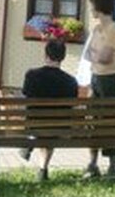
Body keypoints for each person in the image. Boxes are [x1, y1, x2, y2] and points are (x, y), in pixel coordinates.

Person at [19, 38, 79, 181]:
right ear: (63, 58)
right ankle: (42, 169)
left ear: (46, 55)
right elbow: (73, 104)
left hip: (34, 124)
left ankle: (30, 141)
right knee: (52, 129)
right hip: (58, 128)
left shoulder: (31, 75)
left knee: (38, 120)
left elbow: (26, 94)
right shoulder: (71, 81)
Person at [83, 0, 115, 178]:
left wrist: (94, 55)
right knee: (93, 121)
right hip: (96, 78)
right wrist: (95, 56)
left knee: (110, 122)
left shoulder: (113, 29)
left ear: (98, 8)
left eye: (92, 6)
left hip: (111, 80)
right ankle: (92, 164)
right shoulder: (96, 30)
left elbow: (105, 58)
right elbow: (89, 55)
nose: (90, 10)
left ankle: (112, 166)